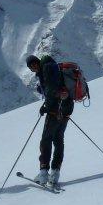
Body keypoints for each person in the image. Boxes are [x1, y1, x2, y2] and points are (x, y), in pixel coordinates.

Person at [26, 54, 73, 187]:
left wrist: (46, 106)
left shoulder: (46, 68)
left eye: (34, 65)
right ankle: (55, 173)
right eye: (31, 67)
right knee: (58, 139)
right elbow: (52, 88)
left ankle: (44, 173)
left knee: (46, 139)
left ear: (38, 62)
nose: (33, 68)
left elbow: (52, 89)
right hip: (67, 106)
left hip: (55, 108)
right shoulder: (52, 67)